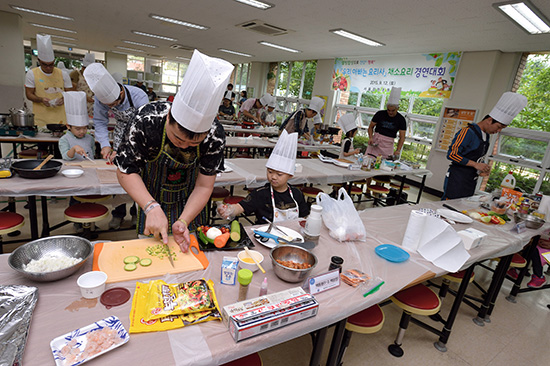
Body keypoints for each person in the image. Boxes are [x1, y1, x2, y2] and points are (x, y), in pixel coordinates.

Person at [114, 49, 233, 252]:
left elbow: (204, 186)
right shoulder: (146, 121)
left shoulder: (215, 135)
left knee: (190, 258)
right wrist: (150, 206)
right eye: (178, 138)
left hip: (190, 199)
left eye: (193, 144)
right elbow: (126, 170)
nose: (184, 147)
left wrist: (184, 221)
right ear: (169, 117)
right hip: (150, 194)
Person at [84, 63, 148, 229]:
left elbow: (144, 125)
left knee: (137, 175)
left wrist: (131, 151)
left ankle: (136, 213)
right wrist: (105, 145)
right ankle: (118, 214)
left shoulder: (138, 95)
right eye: (108, 106)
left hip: (140, 135)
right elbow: (99, 121)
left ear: (121, 92)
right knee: (119, 175)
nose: (112, 108)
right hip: (120, 133)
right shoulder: (100, 98)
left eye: (115, 104)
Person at [442, 92, 527, 200]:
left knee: (462, 206)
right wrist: (475, 165)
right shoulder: (467, 132)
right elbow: (452, 154)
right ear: (489, 120)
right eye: (499, 126)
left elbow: (475, 157)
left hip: (470, 180)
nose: (498, 131)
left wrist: (481, 168)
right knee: (448, 206)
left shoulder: (486, 136)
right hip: (457, 179)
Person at [217, 130, 310, 224]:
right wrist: (229, 210)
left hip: (291, 235)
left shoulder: (297, 194)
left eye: (279, 174)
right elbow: (241, 207)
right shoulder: (260, 194)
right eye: (270, 172)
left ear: (290, 175)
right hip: (264, 236)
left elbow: (304, 217)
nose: (273, 177)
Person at [58, 91, 96, 233]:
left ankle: (90, 221)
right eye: (78, 128)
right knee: (76, 197)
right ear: (68, 126)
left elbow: (92, 153)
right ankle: (77, 222)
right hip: (73, 174)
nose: (82, 131)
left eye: (85, 128)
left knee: (90, 197)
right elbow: (66, 157)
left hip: (89, 172)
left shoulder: (89, 138)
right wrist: (74, 149)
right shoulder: (64, 140)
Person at [24, 34, 74, 127]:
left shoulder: (63, 74)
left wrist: (63, 99)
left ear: (54, 61)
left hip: (60, 118)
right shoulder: (32, 74)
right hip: (41, 118)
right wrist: (41, 99)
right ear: (39, 60)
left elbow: (70, 94)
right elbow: (29, 94)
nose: (48, 68)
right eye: (44, 65)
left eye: (51, 65)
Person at [365, 87, 406, 159]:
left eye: (393, 110)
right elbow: (370, 127)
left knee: (384, 164)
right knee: (368, 160)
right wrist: (370, 137)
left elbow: (402, 137)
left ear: (397, 108)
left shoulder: (401, 119)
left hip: (388, 144)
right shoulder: (380, 114)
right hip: (376, 141)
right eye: (388, 110)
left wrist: (398, 150)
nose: (390, 112)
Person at [70, 53, 95, 117]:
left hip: (90, 106)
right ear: (83, 67)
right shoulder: (75, 74)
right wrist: (85, 98)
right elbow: (72, 90)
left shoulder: (92, 77)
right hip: (78, 104)